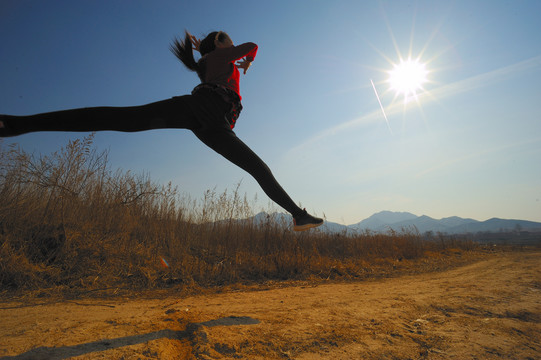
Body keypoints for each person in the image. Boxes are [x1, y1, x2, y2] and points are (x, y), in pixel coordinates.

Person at [0, 31, 323, 231]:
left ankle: (297, 215)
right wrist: (245, 60)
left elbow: (241, 50)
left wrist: (213, 53)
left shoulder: (211, 60)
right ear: (220, 44)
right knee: (121, 118)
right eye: (227, 38)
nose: (232, 42)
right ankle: (15, 123)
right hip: (205, 110)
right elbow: (252, 45)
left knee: (256, 167)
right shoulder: (220, 54)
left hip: (214, 123)